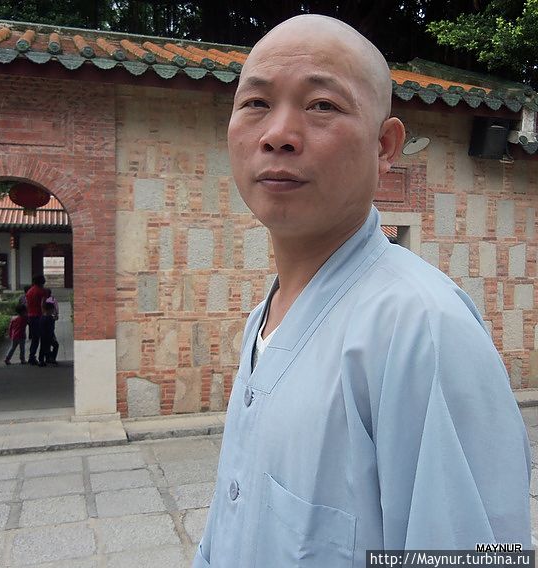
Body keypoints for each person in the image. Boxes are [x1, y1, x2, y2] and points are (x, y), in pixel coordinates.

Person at [193, 15, 531, 568]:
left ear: (385, 145)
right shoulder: (263, 319)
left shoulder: (421, 329)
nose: (278, 134)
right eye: (255, 103)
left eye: (322, 105)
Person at [26, 275, 48, 365]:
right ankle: (41, 359)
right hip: (39, 316)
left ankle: (31, 357)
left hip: (30, 316)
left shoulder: (29, 291)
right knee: (43, 338)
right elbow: (43, 304)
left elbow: (27, 305)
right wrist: (46, 315)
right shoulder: (42, 291)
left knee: (35, 338)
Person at [38, 301, 59, 367]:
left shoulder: (44, 317)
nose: (53, 311)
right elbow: (50, 328)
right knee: (51, 346)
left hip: (45, 335)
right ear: (49, 310)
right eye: (52, 310)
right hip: (47, 336)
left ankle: (44, 359)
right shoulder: (48, 318)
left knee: (44, 348)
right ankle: (50, 358)